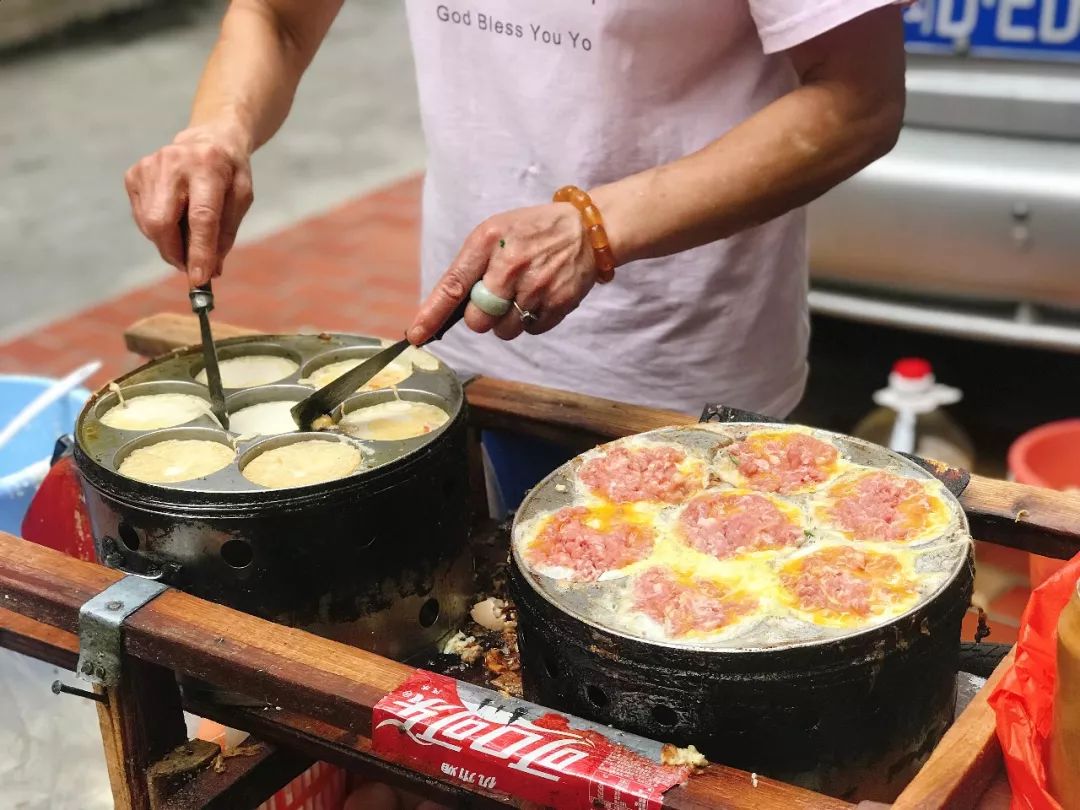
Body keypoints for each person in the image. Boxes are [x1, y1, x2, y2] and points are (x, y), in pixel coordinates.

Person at [125, 1, 905, 512]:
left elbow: (856, 101)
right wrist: (217, 130)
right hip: (465, 353)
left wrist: (594, 225)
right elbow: (277, 18)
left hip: (678, 369)